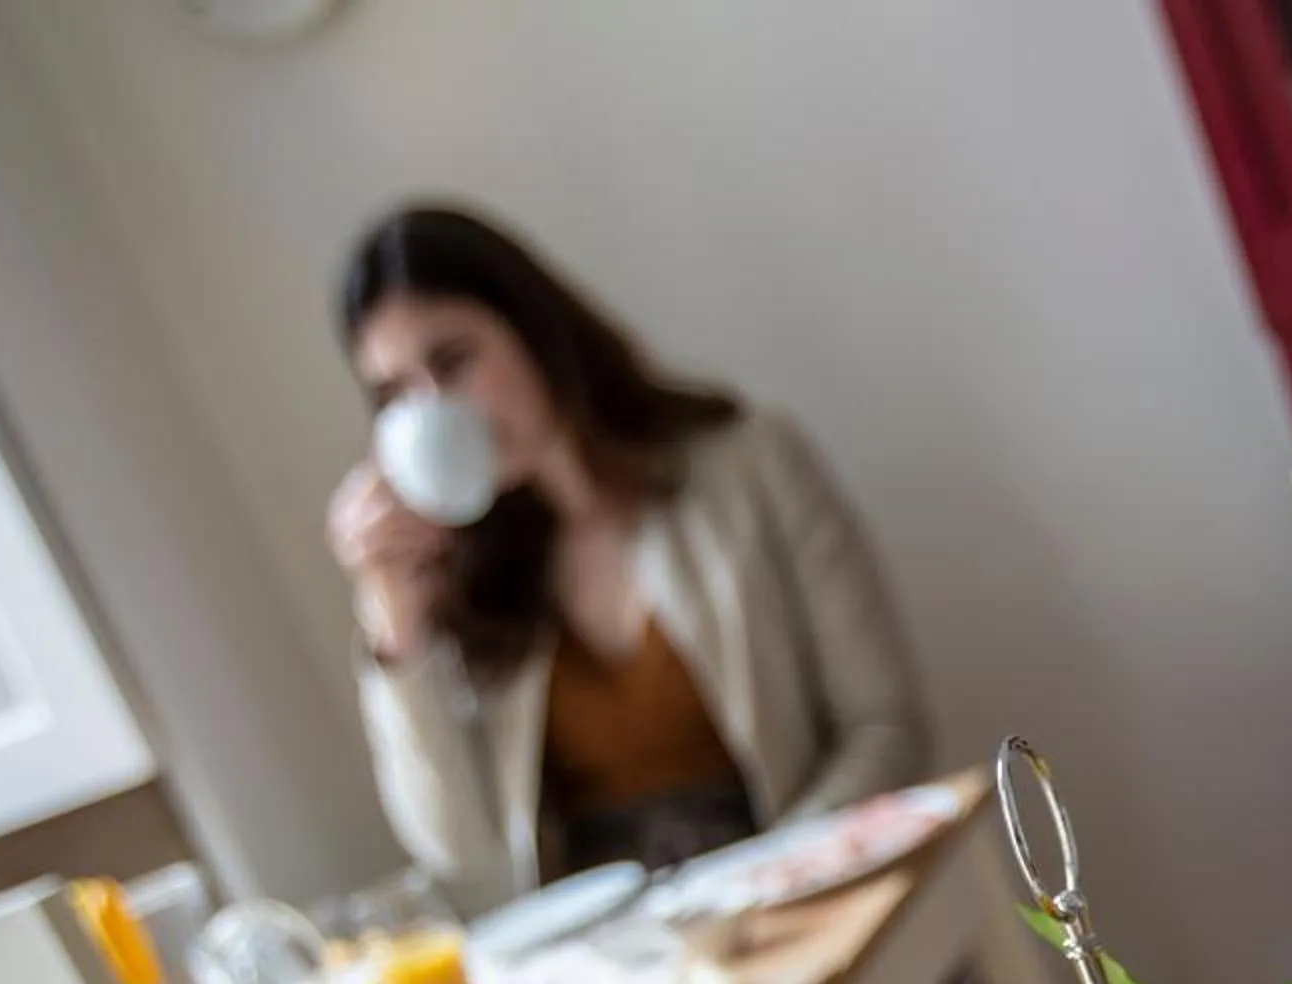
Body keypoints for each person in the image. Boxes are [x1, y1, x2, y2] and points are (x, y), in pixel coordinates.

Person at [328, 205, 928, 908]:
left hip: (802, 898)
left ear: (531, 327)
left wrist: (776, 883)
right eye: (395, 394)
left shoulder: (752, 469)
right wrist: (397, 630)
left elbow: (885, 726)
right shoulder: (460, 579)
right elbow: (462, 857)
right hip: (614, 950)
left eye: (453, 361)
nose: (434, 408)